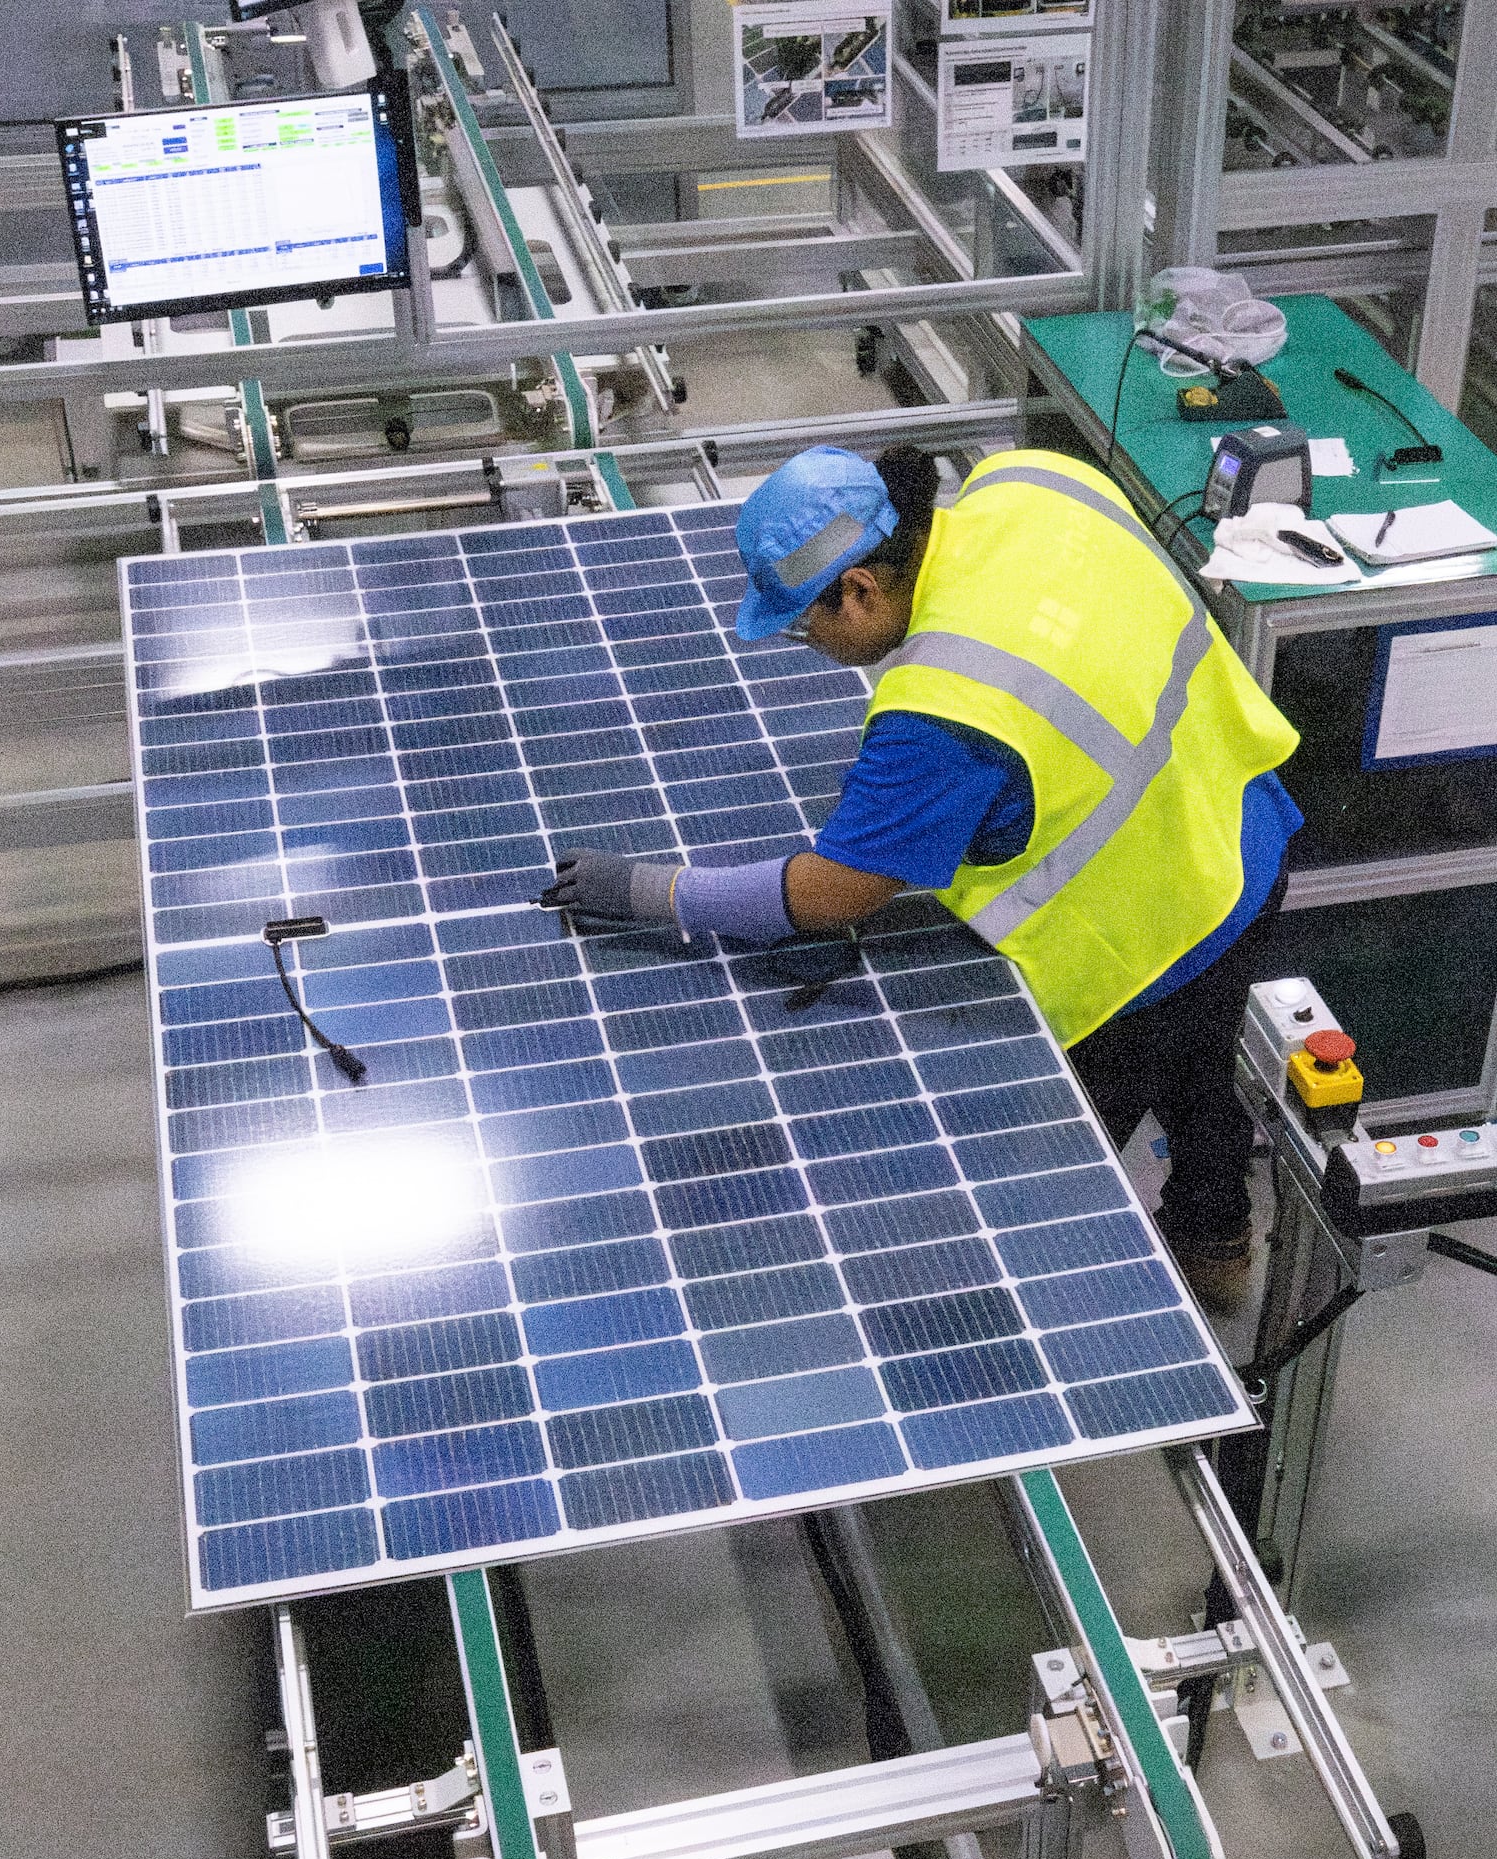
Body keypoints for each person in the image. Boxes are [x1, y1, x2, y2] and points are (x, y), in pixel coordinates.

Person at [542, 443, 1304, 1306]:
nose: (809, 643)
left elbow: (835, 893)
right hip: (1243, 832)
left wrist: (655, 891)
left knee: (1056, 1152)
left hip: (1142, 941)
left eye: (805, 624)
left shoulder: (946, 704)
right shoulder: (1033, 481)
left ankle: (1010, 1329)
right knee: (1204, 1064)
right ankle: (1218, 1243)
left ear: (861, 588)